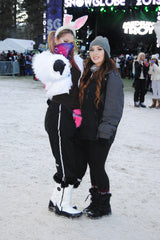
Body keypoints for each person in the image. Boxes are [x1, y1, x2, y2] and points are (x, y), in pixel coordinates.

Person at [32, 14, 88, 218]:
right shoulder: (50, 59)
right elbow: (47, 73)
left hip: (72, 114)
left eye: (72, 42)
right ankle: (64, 204)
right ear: (56, 40)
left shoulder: (77, 61)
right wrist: (60, 57)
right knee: (66, 162)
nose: (69, 46)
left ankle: (56, 199)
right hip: (58, 113)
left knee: (74, 159)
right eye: (65, 41)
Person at [78, 36, 124, 218]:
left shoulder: (111, 76)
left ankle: (104, 205)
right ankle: (95, 200)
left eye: (99, 49)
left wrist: (105, 131)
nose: (95, 53)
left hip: (102, 131)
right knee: (92, 166)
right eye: (92, 50)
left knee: (98, 167)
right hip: (88, 129)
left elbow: (114, 109)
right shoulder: (89, 72)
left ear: (106, 52)